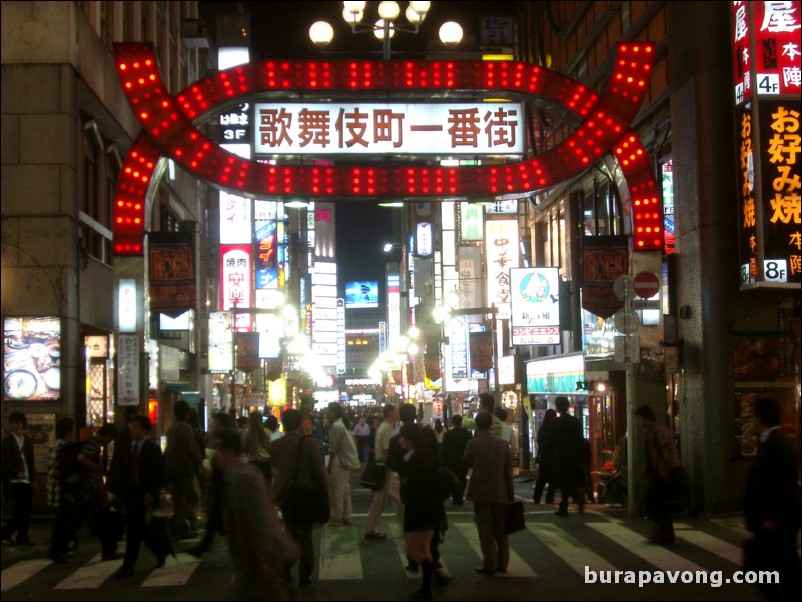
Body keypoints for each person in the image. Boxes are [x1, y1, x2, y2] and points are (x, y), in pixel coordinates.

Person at [214, 428, 299, 601]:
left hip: (258, 560)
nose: (215, 456)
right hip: (251, 562)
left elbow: (259, 517)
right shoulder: (234, 475)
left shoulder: (243, 476)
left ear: (229, 451)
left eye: (218, 450)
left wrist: (263, 558)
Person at [743, 397, 800, 602]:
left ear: (759, 419)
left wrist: (769, 516)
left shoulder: (774, 445)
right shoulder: (780, 442)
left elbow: (775, 484)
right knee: (783, 563)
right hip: (781, 517)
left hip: (776, 519)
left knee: (775, 566)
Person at [271, 409, 328, 586]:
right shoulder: (310, 444)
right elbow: (318, 470)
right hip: (306, 491)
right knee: (305, 534)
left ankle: (286, 566)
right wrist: (324, 491)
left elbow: (275, 467)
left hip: (285, 494)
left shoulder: (276, 445)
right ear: (299, 424)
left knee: (289, 530)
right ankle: (305, 573)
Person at [113, 414, 166, 579]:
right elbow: (117, 470)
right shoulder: (125, 447)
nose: (132, 430)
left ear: (145, 429)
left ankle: (128, 566)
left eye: (135, 427)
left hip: (143, 493)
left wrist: (151, 492)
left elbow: (157, 475)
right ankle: (159, 551)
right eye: (131, 427)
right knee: (139, 528)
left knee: (134, 530)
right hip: (128, 492)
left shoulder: (152, 449)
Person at [398, 423, 446, 600]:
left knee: (414, 550)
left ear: (410, 439)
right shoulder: (422, 455)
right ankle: (430, 583)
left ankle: (431, 581)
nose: (400, 440)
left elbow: (420, 485)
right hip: (429, 507)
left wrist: (407, 485)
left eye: (402, 437)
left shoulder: (416, 458)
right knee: (424, 548)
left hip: (421, 508)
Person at [463, 411, 515, 576]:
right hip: (500, 489)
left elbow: (466, 461)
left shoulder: (473, 444)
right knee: (501, 529)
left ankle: (489, 563)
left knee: (485, 530)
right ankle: (503, 562)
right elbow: (508, 471)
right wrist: (511, 493)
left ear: (477, 425)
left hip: (480, 489)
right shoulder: (503, 444)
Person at [186, 411, 230, 558]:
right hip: (220, 484)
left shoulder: (228, 438)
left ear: (222, 425)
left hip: (225, 485)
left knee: (221, 519)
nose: (212, 425)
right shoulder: (217, 438)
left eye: (215, 423)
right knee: (215, 519)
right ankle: (203, 546)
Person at [635, 404, 681, 544]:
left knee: (655, 502)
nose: (638, 422)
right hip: (659, 472)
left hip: (664, 471)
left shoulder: (658, 430)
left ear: (646, 417)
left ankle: (664, 533)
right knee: (658, 503)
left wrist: (662, 470)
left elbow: (665, 450)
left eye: (639, 418)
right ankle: (664, 533)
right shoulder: (651, 431)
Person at [78, 423, 120, 559]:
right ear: (107, 435)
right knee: (102, 521)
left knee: (99, 520)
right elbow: (82, 458)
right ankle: (108, 550)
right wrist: (96, 467)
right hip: (90, 488)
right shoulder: (94, 444)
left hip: (90, 487)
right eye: (110, 439)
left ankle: (108, 549)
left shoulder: (92, 443)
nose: (109, 443)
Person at [164, 400, 203, 538]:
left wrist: (166, 469)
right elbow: (193, 448)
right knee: (193, 497)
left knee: (178, 500)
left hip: (173, 470)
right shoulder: (186, 428)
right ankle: (177, 520)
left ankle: (182, 530)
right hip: (185, 469)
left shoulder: (170, 429)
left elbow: (167, 452)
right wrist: (200, 463)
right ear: (187, 414)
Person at [363, 404, 399, 540]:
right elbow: (387, 451)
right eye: (396, 411)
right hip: (385, 469)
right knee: (395, 500)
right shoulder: (387, 429)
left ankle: (371, 529)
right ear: (390, 413)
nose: (398, 413)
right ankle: (408, 528)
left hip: (385, 468)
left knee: (380, 502)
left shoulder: (386, 428)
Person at [46, 417, 79, 563]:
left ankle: (60, 548)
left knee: (61, 520)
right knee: (63, 521)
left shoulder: (54, 446)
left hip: (54, 489)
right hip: (63, 490)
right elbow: (66, 471)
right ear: (69, 432)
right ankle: (56, 550)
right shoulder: (66, 447)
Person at [1, 411, 36, 546]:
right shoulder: (8, 441)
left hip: (26, 480)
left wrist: (32, 480)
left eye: (18, 422)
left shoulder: (27, 440)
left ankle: (10, 533)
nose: (16, 426)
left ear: (23, 424)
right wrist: (16, 473)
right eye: (13, 423)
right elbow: (5, 462)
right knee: (23, 510)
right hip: (15, 481)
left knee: (24, 510)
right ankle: (20, 535)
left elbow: (31, 461)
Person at [325, 402, 361, 526]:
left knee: (337, 490)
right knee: (344, 490)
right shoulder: (342, 423)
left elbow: (333, 449)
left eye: (328, 410)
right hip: (346, 460)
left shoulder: (336, 426)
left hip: (340, 461)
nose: (326, 412)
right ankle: (346, 516)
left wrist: (329, 465)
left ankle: (336, 518)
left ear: (333, 412)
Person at [551, 396, 586, 516]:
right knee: (573, 479)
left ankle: (565, 504)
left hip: (561, 456)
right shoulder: (576, 421)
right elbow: (580, 439)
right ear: (567, 406)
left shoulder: (556, 422)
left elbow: (552, 441)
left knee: (563, 481)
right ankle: (575, 498)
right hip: (575, 455)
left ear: (557, 407)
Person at [441, 415, 472, 506]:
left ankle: (455, 497)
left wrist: (444, 462)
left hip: (451, 461)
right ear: (461, 422)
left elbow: (444, 449)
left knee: (452, 478)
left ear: (453, 422)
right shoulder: (467, 433)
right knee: (462, 478)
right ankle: (460, 497)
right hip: (463, 461)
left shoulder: (448, 434)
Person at [533, 409, 557, 504]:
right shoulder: (554, 428)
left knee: (542, 478)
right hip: (553, 457)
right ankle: (549, 498)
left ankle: (536, 497)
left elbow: (540, 442)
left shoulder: (542, 428)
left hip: (543, 456)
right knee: (553, 479)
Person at [244, 410, 272, 485]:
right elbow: (270, 448)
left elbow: (246, 447)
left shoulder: (248, 433)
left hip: (253, 462)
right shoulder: (267, 432)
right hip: (265, 462)